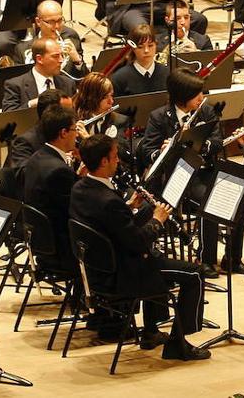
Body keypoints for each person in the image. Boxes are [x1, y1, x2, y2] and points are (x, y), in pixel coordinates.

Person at [70, 133, 210, 361]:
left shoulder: (80, 189)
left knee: (157, 253)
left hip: (100, 268)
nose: (118, 161)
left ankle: (151, 332)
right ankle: (178, 345)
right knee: (195, 273)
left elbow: (110, 225)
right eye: (115, 157)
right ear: (104, 161)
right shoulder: (109, 201)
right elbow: (137, 242)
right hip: (124, 274)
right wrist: (157, 220)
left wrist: (129, 207)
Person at [139, 69, 244, 275]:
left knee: (240, 196)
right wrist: (164, 151)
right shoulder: (159, 116)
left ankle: (233, 258)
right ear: (182, 95)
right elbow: (147, 152)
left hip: (204, 171)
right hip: (176, 177)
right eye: (196, 93)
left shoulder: (206, 112)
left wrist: (199, 145)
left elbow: (217, 142)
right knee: (208, 199)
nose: (202, 97)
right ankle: (206, 259)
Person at [23, 103, 79, 271]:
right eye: (75, 130)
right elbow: (77, 212)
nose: (77, 135)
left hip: (41, 245)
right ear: (63, 133)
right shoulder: (59, 170)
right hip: (63, 250)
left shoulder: (37, 157)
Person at [0, 88, 72, 199]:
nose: (72, 116)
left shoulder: (67, 134)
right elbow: (26, 177)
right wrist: (59, 160)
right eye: (66, 111)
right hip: (39, 200)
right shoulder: (24, 141)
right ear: (49, 114)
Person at [14, 0, 87, 78]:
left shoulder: (71, 37)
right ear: (38, 22)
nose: (57, 26)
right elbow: (20, 83)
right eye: (51, 22)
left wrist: (77, 60)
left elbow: (85, 81)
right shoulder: (22, 49)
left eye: (60, 20)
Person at [2, 37, 76, 110]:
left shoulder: (68, 84)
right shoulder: (15, 85)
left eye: (61, 55)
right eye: (56, 56)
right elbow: (8, 116)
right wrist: (31, 104)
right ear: (39, 59)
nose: (61, 60)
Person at [109, 24, 169, 97]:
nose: (146, 51)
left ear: (156, 45)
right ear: (133, 49)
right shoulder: (119, 78)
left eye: (150, 46)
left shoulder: (167, 73)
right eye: (140, 47)